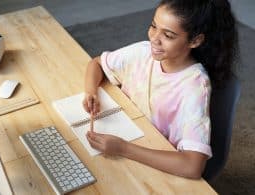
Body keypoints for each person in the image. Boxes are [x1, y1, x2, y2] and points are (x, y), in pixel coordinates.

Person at [83, 0, 238, 179]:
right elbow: (97, 63)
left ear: (195, 40)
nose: (154, 39)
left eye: (168, 35)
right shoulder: (143, 52)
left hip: (155, 159)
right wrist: (91, 92)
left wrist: (123, 148)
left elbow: (192, 166)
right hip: (130, 138)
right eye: (153, 26)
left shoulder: (195, 87)